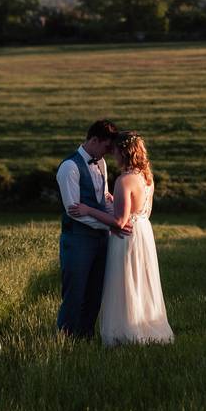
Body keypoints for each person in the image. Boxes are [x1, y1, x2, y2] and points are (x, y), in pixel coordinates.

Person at [70, 131, 174, 346]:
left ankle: (126, 332)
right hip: (144, 232)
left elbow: (118, 221)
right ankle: (145, 326)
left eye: (114, 150)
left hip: (126, 238)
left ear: (122, 152)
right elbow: (144, 211)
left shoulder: (124, 180)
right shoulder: (147, 177)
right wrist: (114, 200)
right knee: (141, 281)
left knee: (125, 282)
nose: (112, 154)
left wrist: (88, 209)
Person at [55, 119, 130, 339]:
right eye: (107, 146)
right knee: (75, 293)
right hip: (78, 239)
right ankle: (66, 338)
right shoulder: (69, 167)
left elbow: (102, 198)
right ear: (95, 140)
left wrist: (116, 218)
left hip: (102, 238)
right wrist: (110, 223)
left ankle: (86, 337)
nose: (109, 152)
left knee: (95, 292)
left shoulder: (101, 164)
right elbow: (74, 211)